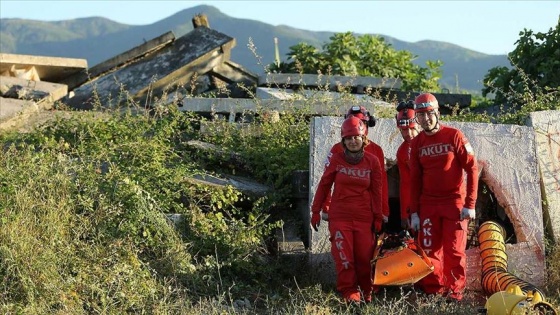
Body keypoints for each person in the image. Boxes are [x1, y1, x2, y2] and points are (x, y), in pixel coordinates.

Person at [408, 92, 478, 302]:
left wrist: (470, 204)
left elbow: (472, 168)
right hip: (428, 205)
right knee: (430, 251)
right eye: (421, 116)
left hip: (454, 204)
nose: (426, 119)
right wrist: (415, 213)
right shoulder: (417, 143)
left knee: (455, 251)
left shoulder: (454, 135)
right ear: (416, 119)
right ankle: (434, 290)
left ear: (437, 113)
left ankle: (455, 293)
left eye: (429, 114)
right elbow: (414, 181)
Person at [310, 116, 384, 304]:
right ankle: (349, 292)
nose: (352, 141)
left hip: (364, 218)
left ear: (363, 138)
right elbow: (324, 184)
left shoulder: (373, 161)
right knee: (344, 258)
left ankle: (367, 291)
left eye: (356, 137)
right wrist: (316, 210)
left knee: (364, 258)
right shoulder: (336, 159)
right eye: (348, 138)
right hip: (340, 217)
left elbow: (377, 192)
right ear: (343, 140)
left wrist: (378, 217)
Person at [320, 106, 390, 225]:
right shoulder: (337, 149)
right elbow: (326, 181)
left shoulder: (376, 150)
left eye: (361, 123)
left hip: (366, 212)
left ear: (366, 125)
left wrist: (383, 211)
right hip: (342, 211)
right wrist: (325, 207)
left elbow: (381, 184)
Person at [395, 100, 420, 230]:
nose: (408, 134)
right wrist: (404, 214)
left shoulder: (433, 142)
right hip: (418, 205)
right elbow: (405, 184)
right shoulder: (402, 152)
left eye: (412, 129)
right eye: (404, 130)